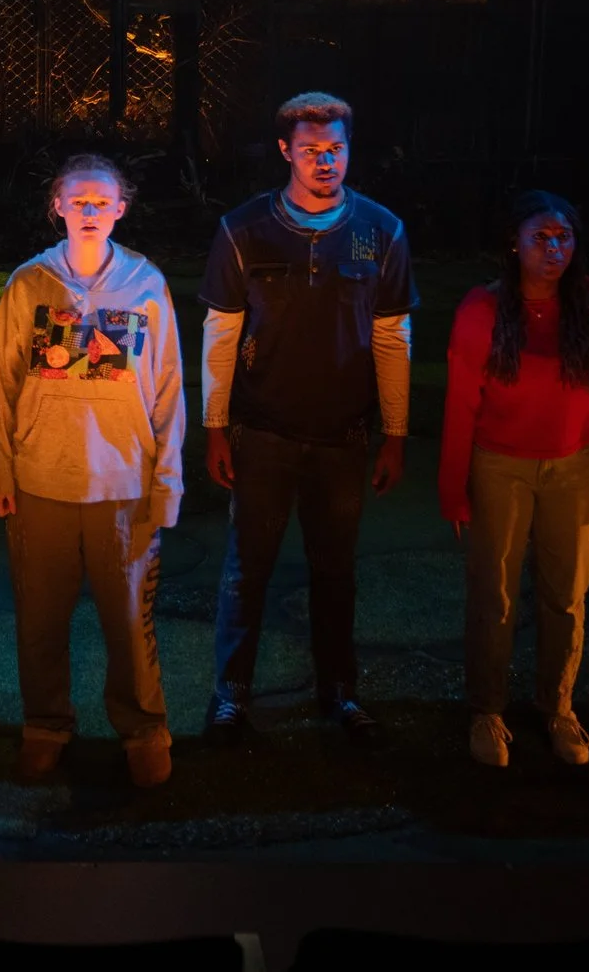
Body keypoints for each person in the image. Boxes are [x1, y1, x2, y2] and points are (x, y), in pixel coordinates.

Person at [201, 92, 416, 744]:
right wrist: (215, 426)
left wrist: (395, 433)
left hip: (343, 435)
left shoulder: (382, 230)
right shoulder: (244, 229)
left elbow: (392, 335)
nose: (325, 161)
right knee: (248, 569)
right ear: (284, 151)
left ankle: (340, 692)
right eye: (311, 149)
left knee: (335, 571)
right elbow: (221, 331)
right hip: (263, 430)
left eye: (336, 148)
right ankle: (231, 695)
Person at [0, 154, 187, 789]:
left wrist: (168, 479)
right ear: (58, 207)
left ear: (121, 208)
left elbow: (168, 388)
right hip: (42, 479)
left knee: (128, 621)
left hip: (122, 484)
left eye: (102, 201)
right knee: (40, 620)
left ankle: (143, 729)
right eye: (79, 201)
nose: (91, 211)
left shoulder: (146, 285)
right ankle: (46, 725)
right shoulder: (28, 285)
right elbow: (3, 383)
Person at [439, 191, 589, 769]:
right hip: (500, 467)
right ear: (514, 244)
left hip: (573, 466)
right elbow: (461, 403)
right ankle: (487, 710)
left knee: (567, 595)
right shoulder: (482, 309)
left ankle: (557, 705)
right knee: (494, 595)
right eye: (540, 237)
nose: (554, 249)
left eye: (564, 238)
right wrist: (454, 491)